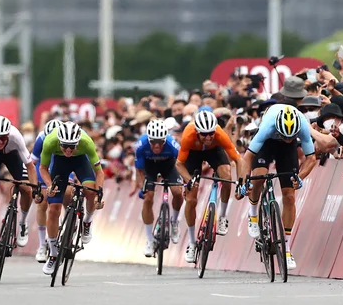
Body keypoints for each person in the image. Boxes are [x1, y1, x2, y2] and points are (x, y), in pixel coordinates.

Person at [237, 104, 317, 270]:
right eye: (284, 136)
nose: (287, 139)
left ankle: (286, 249)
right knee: (258, 176)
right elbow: (248, 156)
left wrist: (300, 177)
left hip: (286, 151)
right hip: (266, 143)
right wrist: (245, 181)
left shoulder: (301, 125)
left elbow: (311, 159)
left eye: (291, 137)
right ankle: (252, 215)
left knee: (289, 195)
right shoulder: (268, 126)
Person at [175, 110, 244, 264]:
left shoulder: (219, 135)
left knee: (226, 176)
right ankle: (192, 243)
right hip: (193, 154)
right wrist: (190, 179)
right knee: (191, 199)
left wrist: (241, 182)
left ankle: (222, 217)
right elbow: (179, 164)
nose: (208, 137)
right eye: (204, 134)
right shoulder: (188, 136)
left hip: (214, 151)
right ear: (197, 132)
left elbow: (239, 160)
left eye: (210, 133)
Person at [38, 122, 105, 275]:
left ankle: (87, 221)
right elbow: (43, 168)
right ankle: (53, 254)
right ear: (59, 141)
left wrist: (99, 194)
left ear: (78, 142)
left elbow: (99, 173)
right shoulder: (50, 141)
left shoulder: (86, 142)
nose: (68, 150)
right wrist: (49, 185)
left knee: (90, 191)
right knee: (53, 209)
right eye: (65, 146)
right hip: (60, 165)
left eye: (72, 146)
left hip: (81, 162)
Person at [0, 115, 41, 269]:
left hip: (13, 157)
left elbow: (30, 166)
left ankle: (22, 223)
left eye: (3, 138)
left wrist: (34, 187)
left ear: (8, 135)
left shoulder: (16, 137)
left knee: (26, 189)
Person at [131, 119, 183, 257]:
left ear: (165, 139)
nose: (157, 145)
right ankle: (149, 240)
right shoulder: (141, 145)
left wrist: (187, 181)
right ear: (148, 139)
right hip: (150, 167)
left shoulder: (172, 144)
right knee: (148, 198)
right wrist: (143, 187)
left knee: (178, 192)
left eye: (160, 142)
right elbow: (139, 171)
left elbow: (182, 164)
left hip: (169, 166)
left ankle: (175, 221)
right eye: (153, 142)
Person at [30, 119, 75, 263]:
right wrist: (35, 185)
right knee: (42, 202)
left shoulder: (68, 141)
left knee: (68, 193)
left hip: (64, 163)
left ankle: (69, 223)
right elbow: (33, 163)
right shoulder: (42, 139)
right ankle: (43, 245)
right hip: (45, 166)